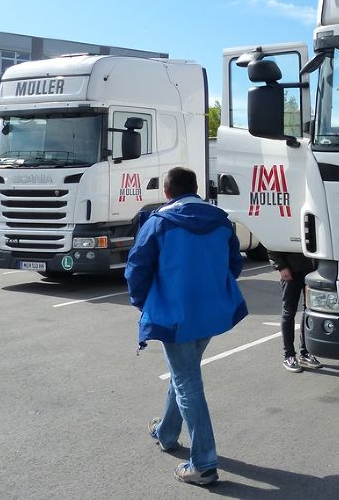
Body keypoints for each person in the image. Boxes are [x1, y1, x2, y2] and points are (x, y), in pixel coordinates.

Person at [125, 167, 247, 485]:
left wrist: (145, 303)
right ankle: (166, 432)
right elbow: (234, 263)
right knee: (184, 373)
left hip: (175, 315)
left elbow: (137, 268)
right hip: (210, 313)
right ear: (196, 189)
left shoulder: (159, 222)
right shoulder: (220, 219)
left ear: (167, 192)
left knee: (187, 381)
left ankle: (204, 464)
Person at [269, 250, 323, 372]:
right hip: (291, 269)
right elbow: (272, 243)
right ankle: (289, 355)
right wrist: (281, 266)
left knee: (309, 310)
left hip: (312, 270)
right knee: (289, 311)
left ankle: (305, 353)